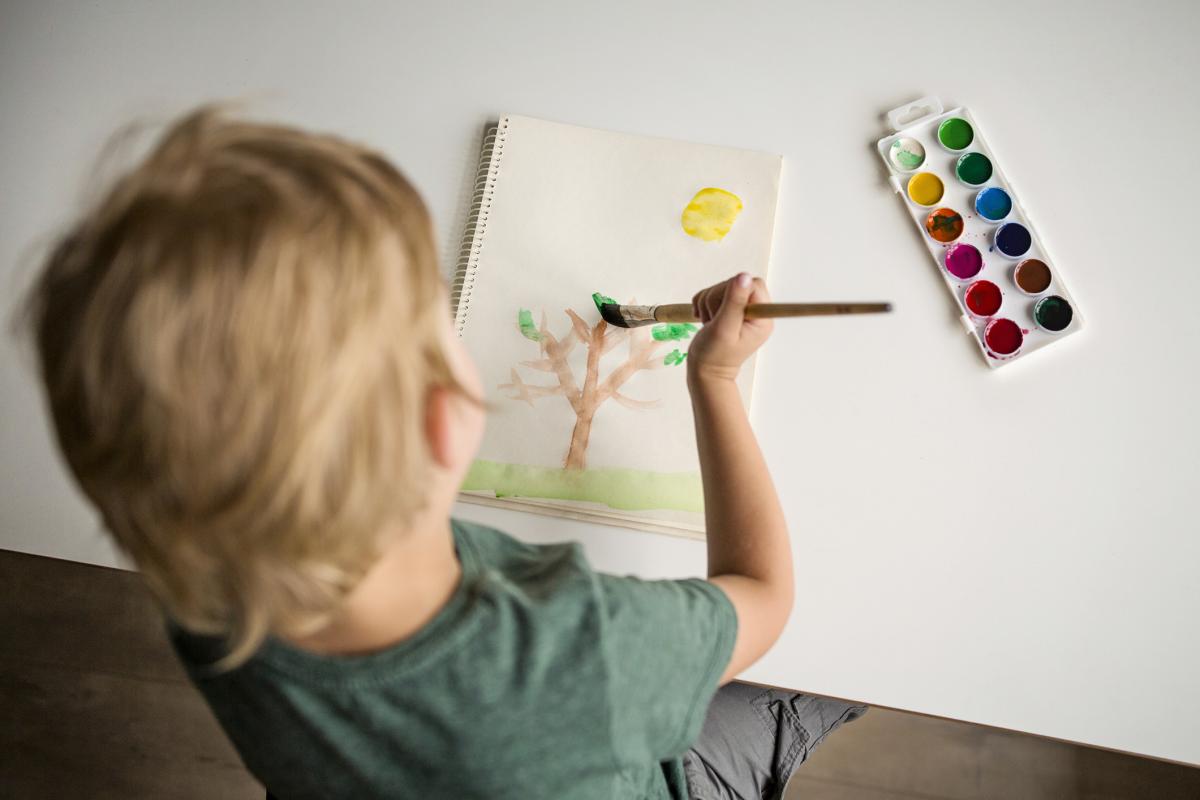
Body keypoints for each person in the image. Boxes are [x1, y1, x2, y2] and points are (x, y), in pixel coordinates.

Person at [21, 108, 864, 799]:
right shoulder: (579, 654)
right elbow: (763, 594)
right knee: (834, 673)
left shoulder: (207, 593)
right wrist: (713, 382)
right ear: (442, 418)